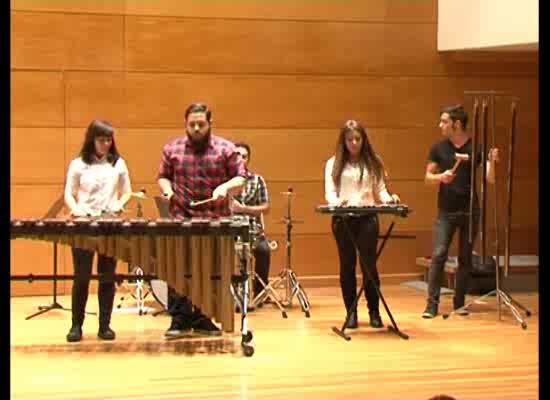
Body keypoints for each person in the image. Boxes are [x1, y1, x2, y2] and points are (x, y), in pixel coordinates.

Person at [157, 102, 247, 338]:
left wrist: (225, 187)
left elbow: (241, 178)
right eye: (192, 124)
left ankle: (204, 318)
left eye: (201, 124)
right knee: (178, 270)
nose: (196, 128)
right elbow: (163, 177)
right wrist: (168, 192)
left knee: (211, 271)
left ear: (209, 124)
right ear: (185, 124)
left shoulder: (226, 149)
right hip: (181, 218)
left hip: (214, 220)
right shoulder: (172, 148)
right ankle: (179, 319)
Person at [422, 104, 499, 318]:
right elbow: (427, 178)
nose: (440, 125)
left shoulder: (476, 148)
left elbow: (489, 179)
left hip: (470, 210)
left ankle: (459, 303)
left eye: (444, 122)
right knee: (438, 255)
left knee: (465, 258)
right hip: (445, 211)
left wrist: (491, 162)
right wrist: (441, 177)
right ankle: (431, 305)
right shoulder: (438, 148)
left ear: (456, 124)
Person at [324, 119, 400, 329]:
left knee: (369, 266)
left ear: (364, 140)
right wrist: (337, 202)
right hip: (344, 219)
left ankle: (374, 311)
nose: (354, 143)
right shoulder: (333, 163)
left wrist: (389, 198)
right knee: (347, 266)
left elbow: (381, 191)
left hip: (367, 218)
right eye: (350, 139)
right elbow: (330, 193)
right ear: (344, 141)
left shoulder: (374, 160)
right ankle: (351, 312)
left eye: (358, 138)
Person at [64, 119, 133, 342]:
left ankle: (105, 326)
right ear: (92, 139)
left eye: (108, 140)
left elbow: (126, 192)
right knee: (81, 277)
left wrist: (120, 204)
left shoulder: (118, 164)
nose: (105, 144)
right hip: (84, 226)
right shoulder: (78, 164)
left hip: (109, 226)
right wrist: (74, 210)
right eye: (101, 140)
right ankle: (76, 326)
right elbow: (69, 193)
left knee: (107, 277)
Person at [230, 142, 271, 307]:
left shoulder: (257, 180)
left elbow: (266, 207)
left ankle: (259, 293)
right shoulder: (224, 181)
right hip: (228, 230)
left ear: (249, 159)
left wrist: (244, 208)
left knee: (263, 249)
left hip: (252, 229)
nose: (240, 159)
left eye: (244, 156)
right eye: (236, 156)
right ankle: (227, 292)